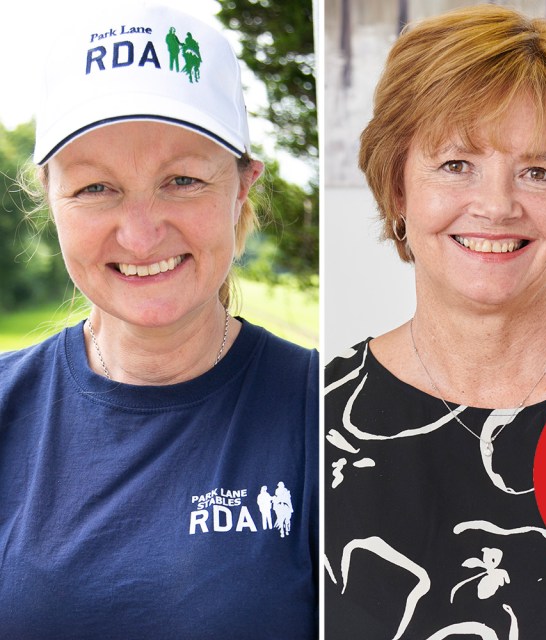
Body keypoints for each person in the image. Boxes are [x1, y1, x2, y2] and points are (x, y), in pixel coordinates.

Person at [324, 5, 546, 638]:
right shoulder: (317, 420)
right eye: (456, 164)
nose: (498, 206)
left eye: (538, 172)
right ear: (397, 187)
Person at [0, 4, 317, 637]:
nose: (142, 234)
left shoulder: (335, 417)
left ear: (242, 187)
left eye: (182, 179)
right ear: (50, 200)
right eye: (96, 188)